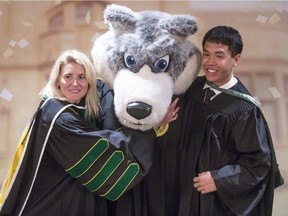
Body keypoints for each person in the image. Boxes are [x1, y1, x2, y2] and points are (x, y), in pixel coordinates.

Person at [109, 26, 284, 216]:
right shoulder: (190, 89)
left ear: (236, 59)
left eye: (219, 56)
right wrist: (160, 123)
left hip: (211, 202)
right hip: (178, 196)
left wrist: (219, 180)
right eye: (207, 54)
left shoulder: (244, 109)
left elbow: (258, 163)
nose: (210, 62)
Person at [0, 49, 158, 216]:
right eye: (68, 76)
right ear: (57, 81)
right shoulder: (58, 118)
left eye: (82, 77)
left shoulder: (74, 110)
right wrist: (149, 128)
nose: (75, 83)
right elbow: (104, 152)